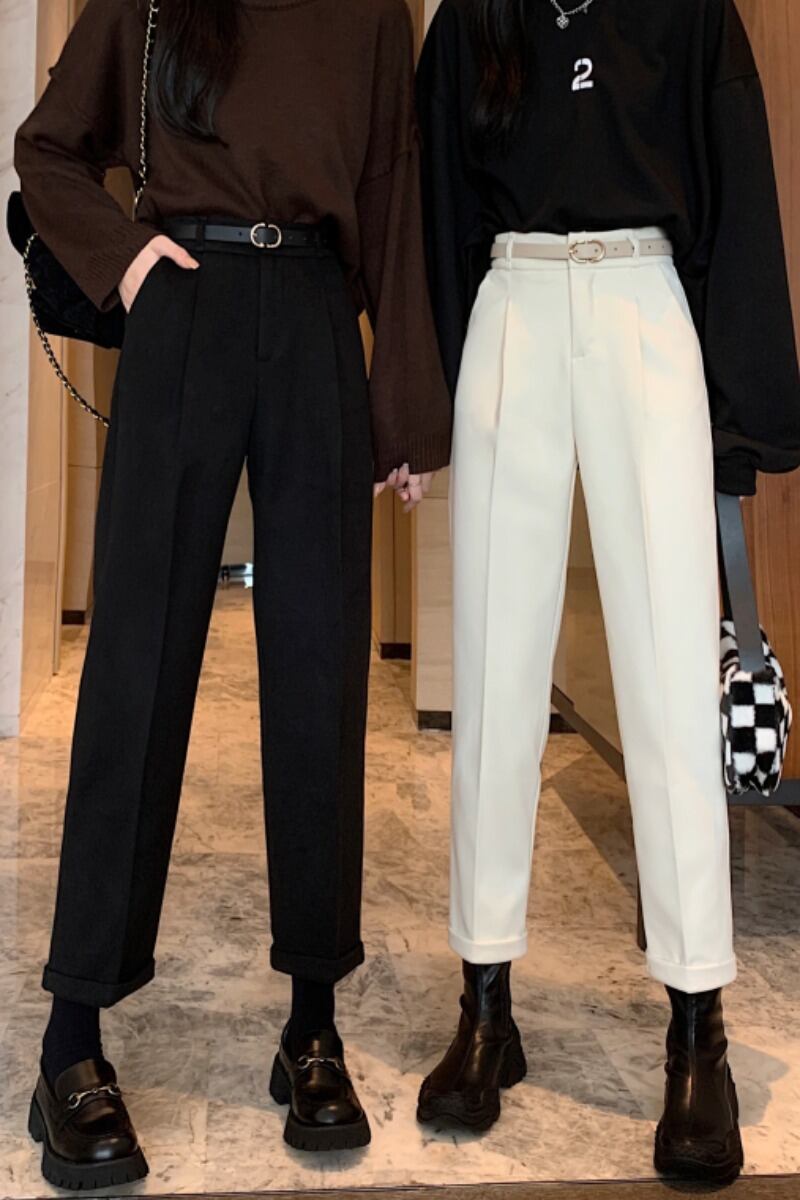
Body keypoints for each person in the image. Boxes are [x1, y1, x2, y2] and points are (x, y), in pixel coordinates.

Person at [15, 0, 451, 1186]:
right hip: (185, 304)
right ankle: (70, 1036)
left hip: (315, 317)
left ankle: (311, 1025)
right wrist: (125, 260)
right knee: (134, 666)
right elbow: (47, 147)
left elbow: (393, 196)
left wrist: (405, 411)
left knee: (319, 670)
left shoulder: (371, 12)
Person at [415, 0, 800, 1184]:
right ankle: (485, 1003)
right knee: (493, 676)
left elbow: (733, 193)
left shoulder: (688, 9)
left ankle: (697, 1028)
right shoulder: (473, 16)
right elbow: (437, 205)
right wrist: (426, 399)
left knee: (670, 686)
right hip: (510, 304)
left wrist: (740, 421)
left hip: (645, 304)